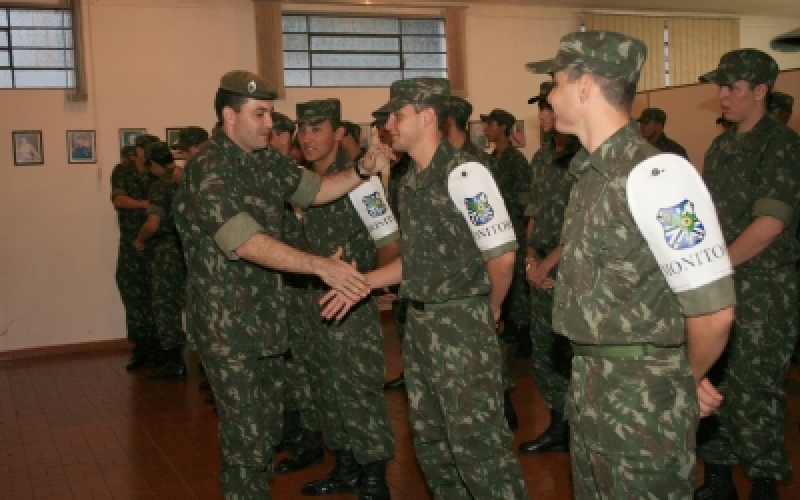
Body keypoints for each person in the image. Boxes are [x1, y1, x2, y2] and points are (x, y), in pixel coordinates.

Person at [526, 30, 735, 498]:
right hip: (592, 385)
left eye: (556, 83)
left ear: (584, 87)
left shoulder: (659, 176)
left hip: (643, 401)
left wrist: (683, 380)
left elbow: (714, 312)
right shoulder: (589, 175)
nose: (550, 96)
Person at [171, 70, 389, 499]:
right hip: (229, 330)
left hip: (267, 324)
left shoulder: (264, 159)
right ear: (228, 115)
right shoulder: (207, 168)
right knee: (246, 443)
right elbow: (244, 241)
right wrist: (320, 267)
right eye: (260, 114)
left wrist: (361, 169)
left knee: (266, 431)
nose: (270, 124)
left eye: (269, 114)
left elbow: (315, 190)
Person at [323, 77, 530, 500]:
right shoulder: (412, 179)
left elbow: (503, 257)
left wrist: (486, 310)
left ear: (428, 115)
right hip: (420, 326)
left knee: (479, 452)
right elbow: (416, 260)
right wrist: (360, 283)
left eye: (398, 116)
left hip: (460, 326)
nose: (389, 126)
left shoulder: (466, 173)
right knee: (434, 446)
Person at [695, 48, 800, 500]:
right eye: (720, 86)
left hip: (763, 288)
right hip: (720, 285)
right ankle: (718, 476)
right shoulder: (720, 146)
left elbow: (769, 226)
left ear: (760, 91)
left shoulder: (781, 146)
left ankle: (764, 480)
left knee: (756, 388)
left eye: (732, 87)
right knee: (716, 382)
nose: (722, 96)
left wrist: (713, 267)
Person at [295, 98, 396, 499]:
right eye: (303, 130)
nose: (308, 137)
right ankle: (345, 465)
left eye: (317, 129)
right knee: (326, 387)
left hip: (352, 308)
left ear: (338, 133)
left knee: (359, 389)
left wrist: (369, 284)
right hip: (314, 305)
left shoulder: (361, 183)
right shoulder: (303, 187)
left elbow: (390, 242)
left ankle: (374, 477)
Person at [445, 95, 519, 431]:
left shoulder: (473, 165)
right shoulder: (449, 162)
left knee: (489, 342)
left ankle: (501, 400)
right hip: (462, 268)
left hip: (483, 263)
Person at [518, 80, 580, 456]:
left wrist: (546, 266)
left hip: (567, 269)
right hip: (538, 264)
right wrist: (529, 258)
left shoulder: (582, 160)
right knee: (545, 352)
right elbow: (532, 215)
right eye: (541, 107)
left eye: (550, 106)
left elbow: (577, 229)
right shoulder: (541, 159)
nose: (544, 114)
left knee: (570, 354)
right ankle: (558, 425)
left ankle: (579, 425)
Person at [265, 110, 326, 474]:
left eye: (278, 135)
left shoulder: (301, 179)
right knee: (287, 365)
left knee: (303, 365)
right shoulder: (268, 175)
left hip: (305, 283)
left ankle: (310, 438)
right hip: (279, 282)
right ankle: (292, 428)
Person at [133, 141, 188, 380]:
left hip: (167, 250)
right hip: (189, 247)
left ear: (153, 163)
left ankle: (174, 362)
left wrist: (139, 240)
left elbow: (152, 224)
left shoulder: (160, 185)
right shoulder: (184, 177)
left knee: (165, 305)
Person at [480, 108, 532, 356]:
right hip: (494, 232)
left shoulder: (516, 162)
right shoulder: (491, 160)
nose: (485, 129)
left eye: (490, 124)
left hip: (514, 230)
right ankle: (509, 326)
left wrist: (522, 234)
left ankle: (524, 334)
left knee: (518, 285)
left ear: (503, 127)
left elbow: (525, 203)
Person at [111, 133, 160, 370]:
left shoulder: (158, 172)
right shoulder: (123, 171)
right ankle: (141, 346)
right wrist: (143, 204)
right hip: (131, 242)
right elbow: (119, 199)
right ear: (139, 150)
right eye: (146, 149)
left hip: (156, 241)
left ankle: (160, 347)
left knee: (158, 294)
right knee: (133, 293)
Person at [372, 107, 411, 392]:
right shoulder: (401, 169)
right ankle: (409, 371)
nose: (386, 129)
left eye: (393, 120)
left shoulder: (460, 170)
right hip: (402, 266)